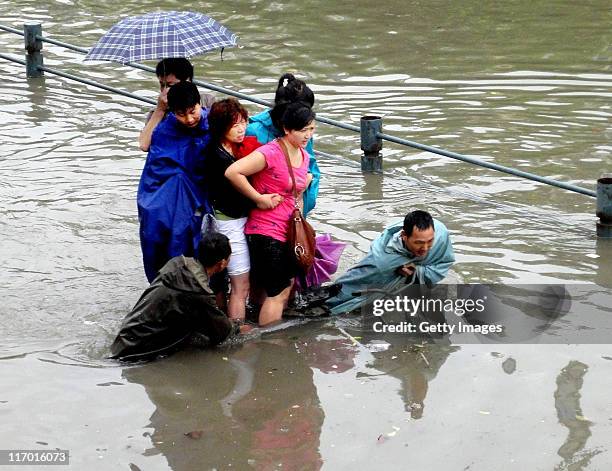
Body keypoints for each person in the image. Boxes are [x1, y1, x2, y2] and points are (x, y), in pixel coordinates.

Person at [225, 103, 315, 326]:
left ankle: (258, 334)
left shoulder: (304, 156)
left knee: (273, 291)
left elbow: (297, 194)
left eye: (311, 129)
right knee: (279, 292)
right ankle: (270, 344)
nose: (308, 135)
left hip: (287, 231)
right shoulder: (270, 152)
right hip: (265, 231)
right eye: (302, 130)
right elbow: (233, 172)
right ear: (286, 129)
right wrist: (258, 198)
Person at [110, 233, 238, 362]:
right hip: (138, 351)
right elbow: (222, 333)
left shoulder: (176, 264)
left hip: (125, 337)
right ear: (222, 263)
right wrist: (240, 328)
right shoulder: (200, 292)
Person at [137, 81, 212, 282]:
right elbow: (154, 172)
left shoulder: (214, 123)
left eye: (192, 111)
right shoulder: (164, 131)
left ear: (200, 104)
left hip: (200, 198)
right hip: (164, 200)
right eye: (181, 114)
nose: (188, 119)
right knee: (156, 235)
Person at [327, 210, 455, 314]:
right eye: (419, 243)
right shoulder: (383, 259)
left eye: (430, 241)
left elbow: (443, 263)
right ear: (404, 236)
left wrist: (417, 271)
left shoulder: (440, 236)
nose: (426, 248)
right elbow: (354, 280)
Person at [205, 98, 260, 322]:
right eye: (234, 125)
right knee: (240, 285)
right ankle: (237, 329)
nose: (241, 129)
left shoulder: (230, 149)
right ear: (220, 126)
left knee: (230, 283)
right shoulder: (217, 157)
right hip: (230, 223)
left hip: (232, 219)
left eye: (243, 123)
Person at [246, 73, 320, 215]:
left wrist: (308, 180)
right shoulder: (254, 131)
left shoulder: (303, 131)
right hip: (263, 212)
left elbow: (312, 169)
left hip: (294, 211)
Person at [139, 58, 215, 152]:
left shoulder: (207, 101)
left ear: (188, 81)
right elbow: (144, 146)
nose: (165, 91)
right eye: (162, 85)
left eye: (170, 85)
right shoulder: (158, 112)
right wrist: (160, 111)